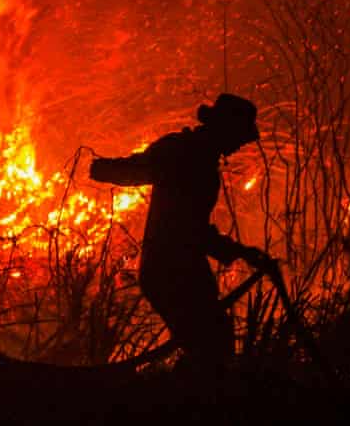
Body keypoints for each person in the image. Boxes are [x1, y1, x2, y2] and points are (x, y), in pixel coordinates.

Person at [89, 93, 271, 372]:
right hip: (170, 270)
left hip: (181, 267)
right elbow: (145, 174)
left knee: (212, 344)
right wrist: (106, 169)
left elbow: (193, 227)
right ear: (225, 130)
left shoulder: (197, 157)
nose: (239, 145)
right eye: (238, 137)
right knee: (211, 347)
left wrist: (241, 252)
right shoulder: (184, 154)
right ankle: (184, 394)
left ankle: (187, 389)